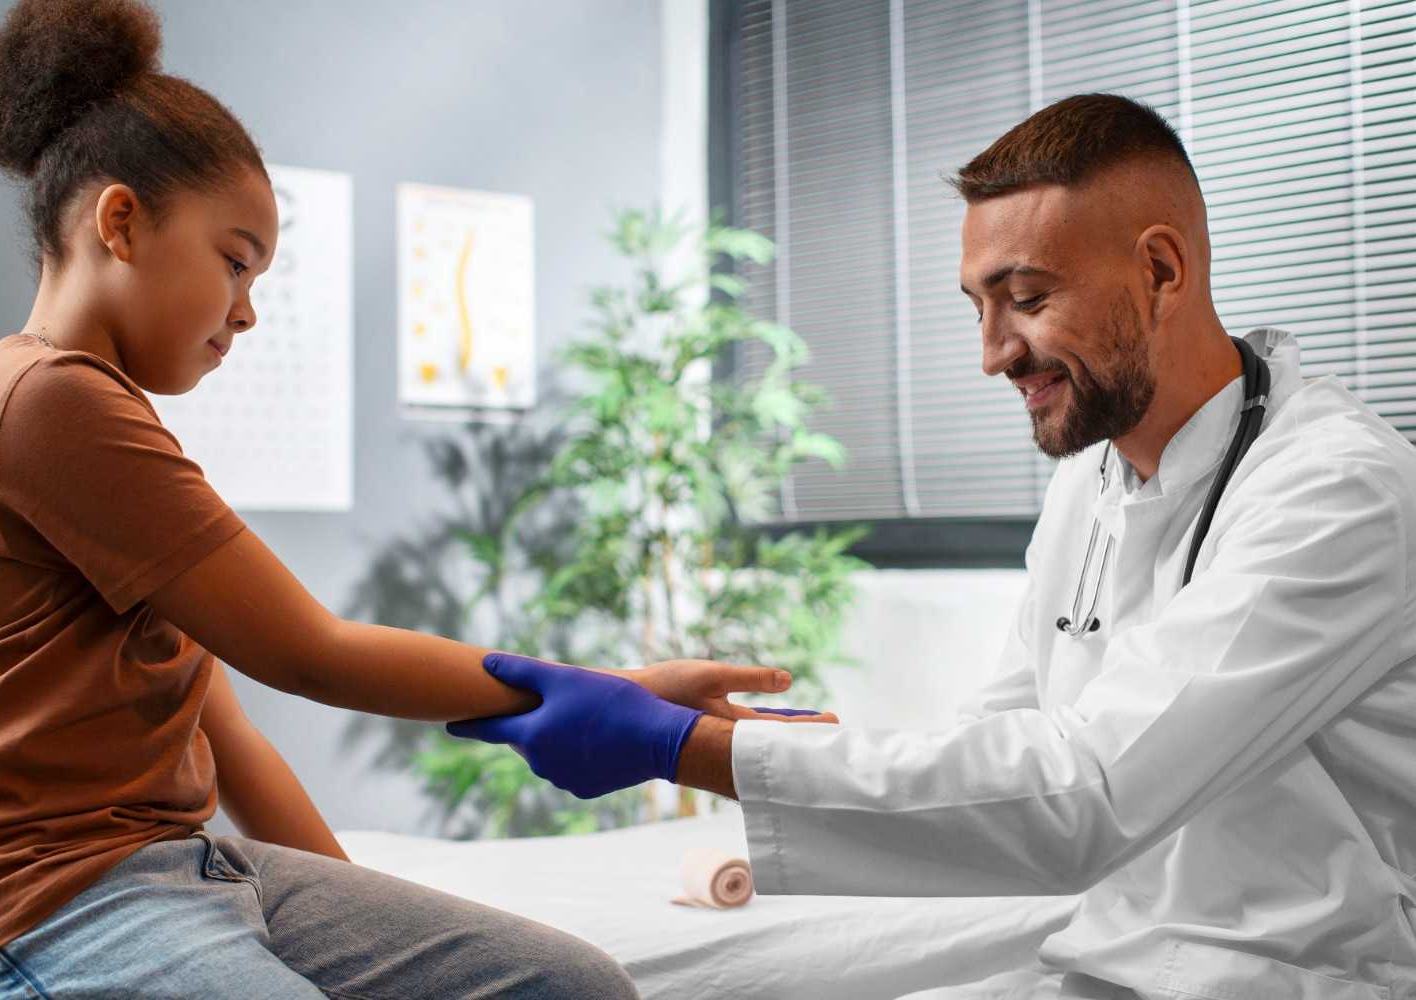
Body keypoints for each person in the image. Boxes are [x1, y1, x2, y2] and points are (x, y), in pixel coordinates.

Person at [0, 2, 833, 997]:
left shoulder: (96, 419)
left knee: (574, 985)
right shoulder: (46, 403)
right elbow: (311, 652)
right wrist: (609, 695)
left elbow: (225, 730)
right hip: (40, 901)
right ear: (122, 221)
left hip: (181, 866)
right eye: (235, 259)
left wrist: (370, 936)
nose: (249, 309)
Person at [448, 94, 1416, 998]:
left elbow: (1091, 793)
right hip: (1114, 950)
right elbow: (1006, 731)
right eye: (977, 306)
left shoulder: (1338, 490)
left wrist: (680, 748)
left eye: (1026, 298)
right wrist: (757, 739)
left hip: (1295, 971)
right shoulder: (1095, 472)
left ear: (1161, 270)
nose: (993, 352)